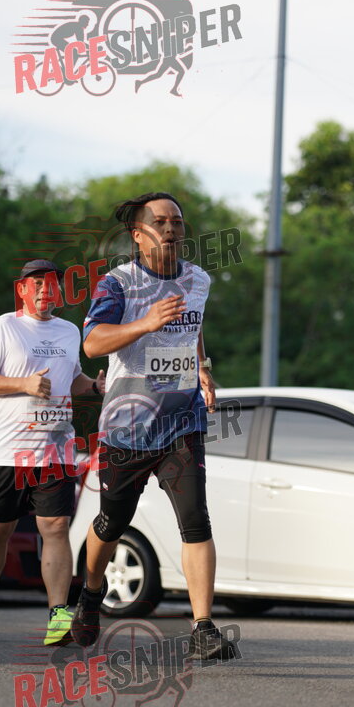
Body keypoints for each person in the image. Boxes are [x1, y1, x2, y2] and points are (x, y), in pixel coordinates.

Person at [71, 192, 236, 660]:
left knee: (196, 520)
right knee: (112, 522)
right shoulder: (118, 283)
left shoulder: (198, 279)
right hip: (127, 425)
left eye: (177, 222)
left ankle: (203, 628)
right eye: (160, 222)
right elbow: (93, 343)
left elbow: (192, 327)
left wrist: (202, 368)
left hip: (182, 421)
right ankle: (90, 594)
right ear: (137, 234)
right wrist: (144, 324)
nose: (170, 229)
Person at [0, 259, 106, 645]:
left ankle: (58, 614)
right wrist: (24, 385)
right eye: (38, 284)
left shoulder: (68, 331)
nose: (47, 290)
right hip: (9, 449)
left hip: (56, 448)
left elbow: (71, 379)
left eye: (53, 284)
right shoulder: (2, 327)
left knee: (56, 527)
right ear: (22, 290)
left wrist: (93, 387)